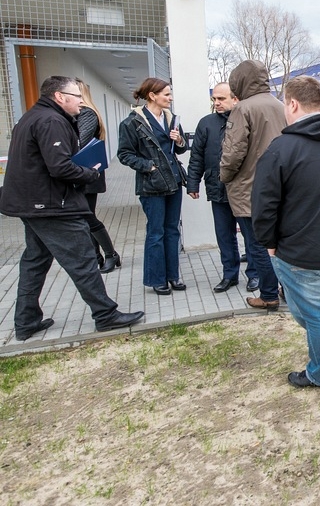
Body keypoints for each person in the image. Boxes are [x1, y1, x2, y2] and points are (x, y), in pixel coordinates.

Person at [0, 76, 144, 339]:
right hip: (53, 205)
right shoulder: (51, 121)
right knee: (83, 260)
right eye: (77, 96)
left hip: (32, 204)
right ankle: (105, 315)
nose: (81, 101)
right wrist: (91, 173)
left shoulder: (31, 117)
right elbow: (60, 167)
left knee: (35, 261)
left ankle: (26, 321)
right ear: (60, 96)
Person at [252, 76, 320, 388]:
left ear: (292, 104)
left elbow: (263, 205)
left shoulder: (281, 149)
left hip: (303, 252)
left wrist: (268, 243)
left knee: (318, 315)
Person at [220, 60, 285, 310]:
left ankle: (268, 295)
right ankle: (285, 288)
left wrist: (224, 176)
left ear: (240, 80)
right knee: (279, 244)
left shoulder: (242, 109)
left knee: (257, 245)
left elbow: (233, 152)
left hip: (249, 188)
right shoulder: (280, 105)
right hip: (280, 186)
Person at [118, 77, 188, 296]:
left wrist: (179, 141)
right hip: (152, 185)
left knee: (172, 230)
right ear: (152, 96)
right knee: (156, 232)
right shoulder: (132, 123)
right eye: (166, 94)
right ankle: (157, 279)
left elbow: (180, 149)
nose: (170, 98)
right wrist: (149, 166)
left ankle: (173, 276)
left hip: (174, 181)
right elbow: (124, 154)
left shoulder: (172, 119)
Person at [186, 82, 259, 293]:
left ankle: (254, 275)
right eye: (214, 99)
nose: (216, 103)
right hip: (217, 189)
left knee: (251, 236)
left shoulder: (246, 121)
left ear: (235, 99)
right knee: (224, 236)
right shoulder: (206, 123)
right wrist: (193, 182)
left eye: (221, 99)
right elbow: (197, 155)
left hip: (243, 191)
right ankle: (230, 275)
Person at [75, 78, 121, 274]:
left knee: (87, 216)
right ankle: (97, 256)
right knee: (85, 216)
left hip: (86, 171)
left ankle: (110, 254)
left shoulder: (86, 113)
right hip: (82, 172)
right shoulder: (81, 114)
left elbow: (80, 141)